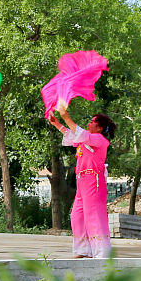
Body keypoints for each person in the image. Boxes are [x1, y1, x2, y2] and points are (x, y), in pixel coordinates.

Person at [49, 106, 117, 258]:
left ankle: (102, 253)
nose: (89, 123)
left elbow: (79, 133)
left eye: (93, 122)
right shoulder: (86, 139)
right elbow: (72, 135)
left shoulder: (99, 140)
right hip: (82, 181)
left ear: (100, 127)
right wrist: (57, 124)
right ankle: (83, 250)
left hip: (94, 181)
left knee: (94, 216)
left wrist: (66, 116)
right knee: (77, 216)